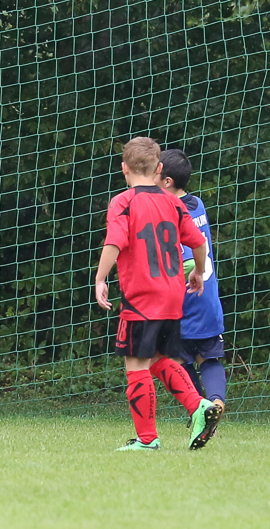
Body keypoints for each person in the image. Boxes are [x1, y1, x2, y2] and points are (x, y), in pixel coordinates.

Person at [94, 137, 221, 451]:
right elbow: (198, 242)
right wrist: (198, 271)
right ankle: (200, 405)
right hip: (173, 295)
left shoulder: (123, 202)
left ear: (124, 168)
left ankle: (147, 439)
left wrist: (100, 278)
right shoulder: (174, 202)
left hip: (142, 296)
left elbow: (114, 242)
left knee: (136, 364)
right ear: (159, 168)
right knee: (158, 359)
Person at [156, 149, 226, 429]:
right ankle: (216, 402)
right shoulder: (197, 204)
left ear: (167, 181)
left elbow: (186, 263)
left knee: (172, 357)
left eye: (155, 174)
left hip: (186, 298)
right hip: (208, 299)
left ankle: (200, 409)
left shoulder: (170, 213)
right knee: (209, 357)